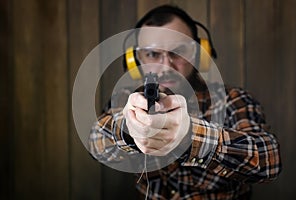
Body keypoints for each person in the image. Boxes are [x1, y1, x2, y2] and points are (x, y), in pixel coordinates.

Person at [89, 4, 282, 200]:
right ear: (136, 60)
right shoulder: (126, 99)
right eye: (152, 54)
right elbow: (96, 143)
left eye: (179, 51)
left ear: (199, 53)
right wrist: (129, 127)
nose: (166, 66)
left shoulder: (232, 100)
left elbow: (268, 159)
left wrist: (191, 137)